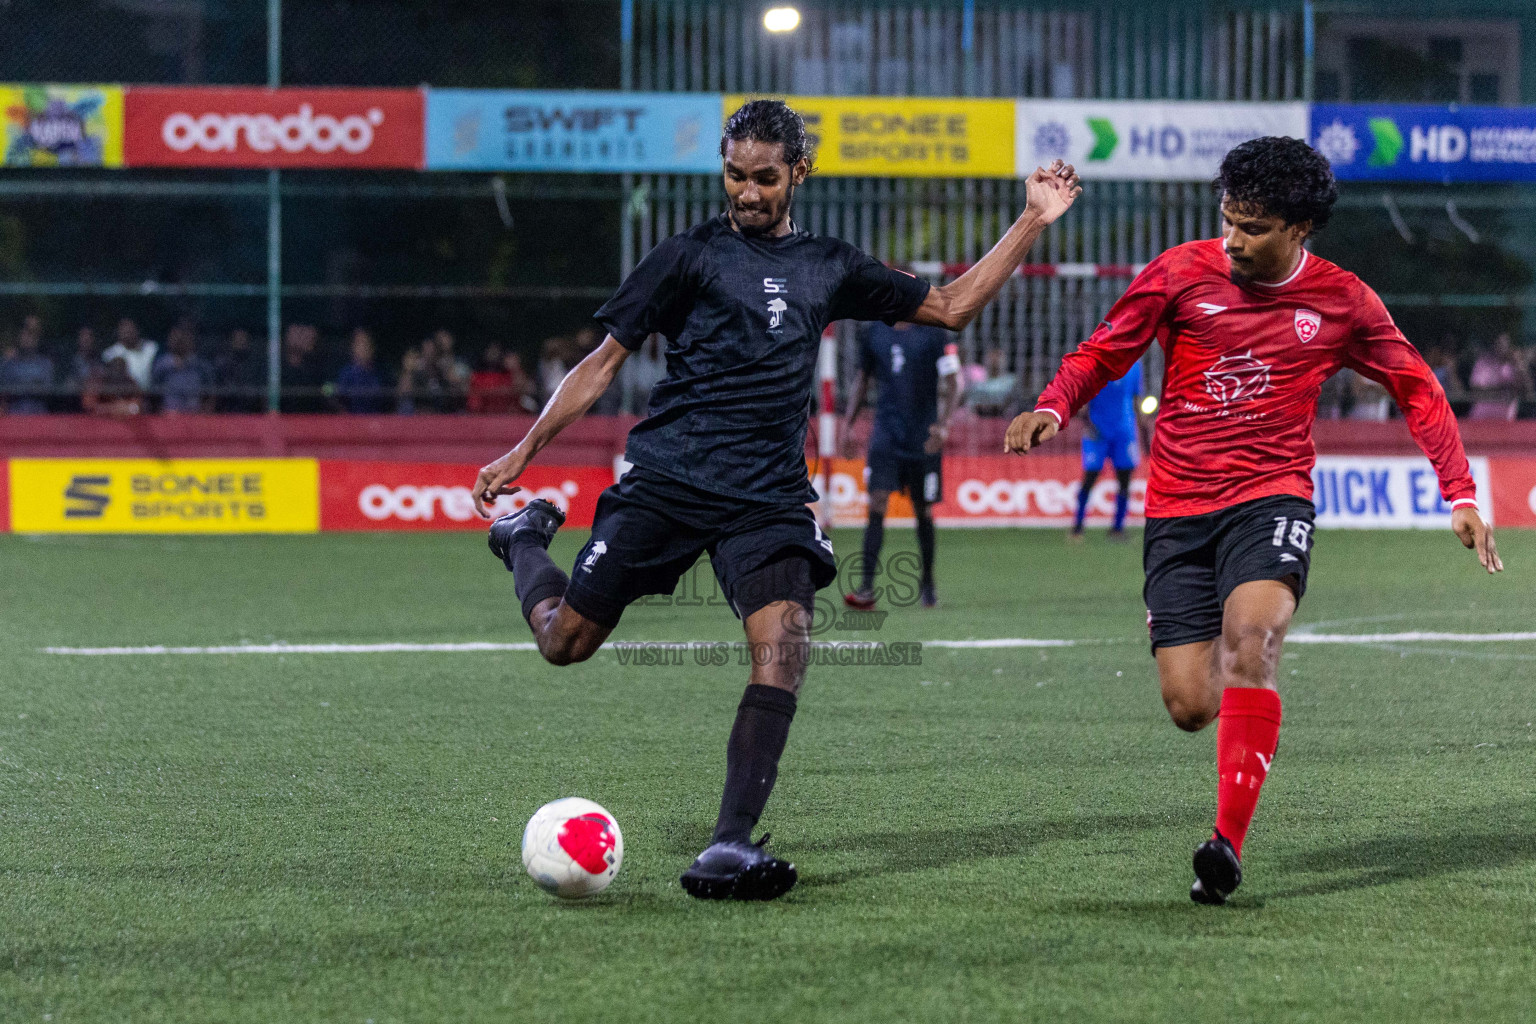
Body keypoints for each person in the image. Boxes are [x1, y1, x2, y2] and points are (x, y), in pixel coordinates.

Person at [472, 99, 1081, 901]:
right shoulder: (688, 254)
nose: (748, 191)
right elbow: (601, 362)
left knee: (784, 647)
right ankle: (522, 538)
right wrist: (524, 451)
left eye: (765, 177)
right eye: (735, 174)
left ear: (800, 171)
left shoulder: (830, 264)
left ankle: (728, 844)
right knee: (565, 642)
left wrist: (1032, 219)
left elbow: (952, 307)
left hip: (767, 497)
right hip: (670, 479)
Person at [1004, 136, 1500, 907]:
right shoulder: (1179, 272)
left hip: (1272, 498)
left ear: (1300, 228)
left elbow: (1419, 389)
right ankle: (1217, 728)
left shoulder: (1343, 302)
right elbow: (1104, 352)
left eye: (1254, 226)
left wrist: (1460, 492)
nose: (1233, 239)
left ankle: (1224, 845)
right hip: (1176, 508)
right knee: (1190, 706)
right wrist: (1051, 404)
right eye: (1228, 219)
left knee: (1254, 644)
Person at [840, 316, 961, 609]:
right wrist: (848, 425)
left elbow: (953, 382)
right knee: (877, 503)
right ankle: (866, 586)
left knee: (923, 510)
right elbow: (862, 379)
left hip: (924, 436)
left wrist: (943, 425)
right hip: (886, 435)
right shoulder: (873, 333)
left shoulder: (934, 335)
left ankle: (928, 583)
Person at [1069, 357, 1146, 541]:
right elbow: (1084, 399)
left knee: (1125, 480)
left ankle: (1117, 529)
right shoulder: (1096, 364)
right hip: (1098, 430)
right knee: (1090, 477)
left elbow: (1136, 398)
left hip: (1124, 431)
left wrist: (1143, 429)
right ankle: (1077, 527)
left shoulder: (1135, 365)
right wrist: (1087, 423)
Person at [150, 321, 214, 413]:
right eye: (175, 338)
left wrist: (206, 411)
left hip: (195, 414)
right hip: (169, 414)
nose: (178, 342)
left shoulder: (200, 364)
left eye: (182, 339)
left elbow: (212, 391)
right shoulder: (161, 364)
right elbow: (153, 391)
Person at [1467, 332, 1533, 421]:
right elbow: (1476, 389)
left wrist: (1519, 365)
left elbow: (1527, 391)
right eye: (1499, 343)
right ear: (1494, 345)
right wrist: (1504, 389)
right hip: (1481, 418)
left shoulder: (1513, 367)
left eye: (1505, 344)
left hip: (1505, 420)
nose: (1502, 347)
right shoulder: (1483, 363)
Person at [0, 316, 55, 414]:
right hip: (14, 417)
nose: (28, 338)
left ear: (37, 338)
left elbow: (48, 390)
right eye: (25, 332)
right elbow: (4, 390)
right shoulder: (9, 363)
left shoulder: (45, 364)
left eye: (32, 334)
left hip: (40, 418)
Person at [334, 328, 389, 413]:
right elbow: (337, 399)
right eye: (359, 343)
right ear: (353, 348)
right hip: (352, 422)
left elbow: (388, 400)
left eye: (367, 343)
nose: (364, 347)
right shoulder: (345, 374)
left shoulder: (382, 373)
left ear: (372, 348)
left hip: (378, 421)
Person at [215, 327, 266, 412]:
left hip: (252, 414)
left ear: (248, 341)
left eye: (242, 338)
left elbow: (261, 396)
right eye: (237, 338)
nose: (240, 341)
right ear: (231, 341)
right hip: (226, 415)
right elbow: (217, 394)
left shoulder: (257, 366)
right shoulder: (222, 365)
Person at [101, 318, 158, 392]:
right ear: (118, 332)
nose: (128, 332)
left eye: (130, 329)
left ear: (137, 330)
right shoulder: (110, 354)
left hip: (152, 393)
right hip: (127, 395)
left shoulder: (152, 348)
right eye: (124, 330)